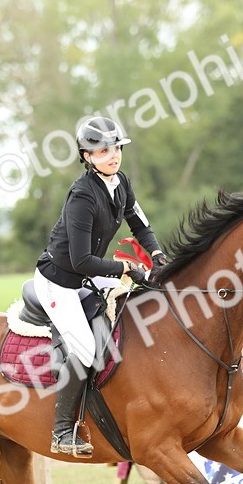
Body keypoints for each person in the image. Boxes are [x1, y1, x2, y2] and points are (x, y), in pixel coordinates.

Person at [33, 117, 166, 457]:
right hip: (58, 282)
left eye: (117, 148)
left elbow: (140, 224)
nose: (113, 156)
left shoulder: (121, 182)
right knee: (85, 349)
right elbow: (80, 261)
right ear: (87, 155)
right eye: (103, 151)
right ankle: (62, 432)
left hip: (87, 276)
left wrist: (157, 254)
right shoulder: (82, 196)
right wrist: (126, 266)